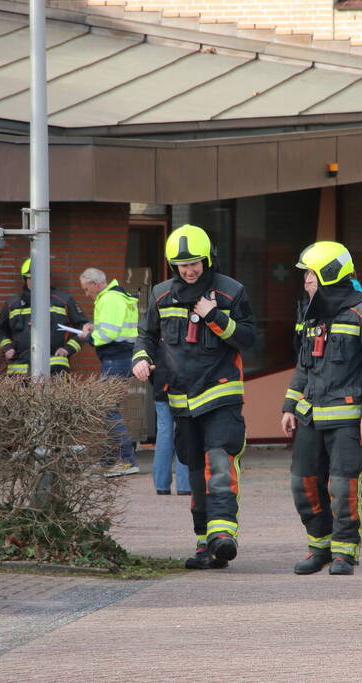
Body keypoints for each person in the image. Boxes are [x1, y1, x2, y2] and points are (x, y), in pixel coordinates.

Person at [132, 224, 255, 570]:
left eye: (195, 263)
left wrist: (214, 316)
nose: (189, 270)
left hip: (220, 397)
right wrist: (141, 358)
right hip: (181, 402)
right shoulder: (160, 295)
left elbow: (247, 338)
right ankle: (205, 543)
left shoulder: (231, 292)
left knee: (220, 463)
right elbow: (147, 336)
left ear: (208, 259)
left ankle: (223, 536)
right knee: (195, 471)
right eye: (182, 265)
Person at [281, 241, 362, 576]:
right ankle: (320, 547)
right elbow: (304, 363)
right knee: (304, 484)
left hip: (348, 418)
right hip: (310, 415)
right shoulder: (311, 311)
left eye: (310, 274)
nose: (306, 281)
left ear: (329, 273)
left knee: (343, 488)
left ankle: (345, 553)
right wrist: (289, 404)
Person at [78, 268, 140, 477]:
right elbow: (114, 327)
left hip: (116, 358)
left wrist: (89, 336)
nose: (87, 294)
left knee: (107, 409)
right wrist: (94, 327)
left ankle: (125, 460)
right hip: (121, 357)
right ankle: (109, 459)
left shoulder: (110, 299)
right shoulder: (116, 296)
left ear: (96, 284)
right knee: (106, 408)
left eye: (87, 289)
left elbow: (109, 333)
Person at [0, 258, 89, 378]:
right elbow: (0, 332)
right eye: (31, 278)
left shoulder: (63, 300)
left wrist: (68, 349)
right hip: (19, 370)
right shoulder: (12, 304)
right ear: (24, 279)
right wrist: (7, 348)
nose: (36, 282)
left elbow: (83, 328)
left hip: (55, 368)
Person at [150, 344, 190, 495]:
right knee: (185, 433)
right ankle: (185, 486)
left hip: (161, 385)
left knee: (164, 433)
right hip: (183, 388)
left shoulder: (159, 331)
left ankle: (161, 485)